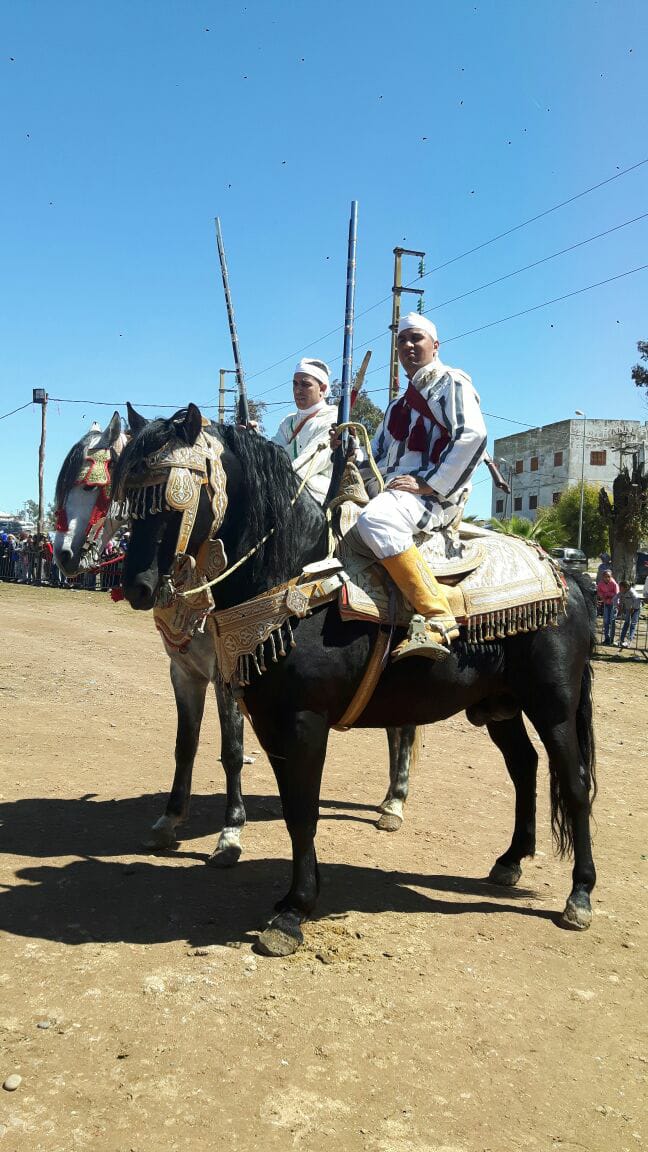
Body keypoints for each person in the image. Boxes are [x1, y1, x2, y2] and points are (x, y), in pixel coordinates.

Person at [354, 312, 487, 661]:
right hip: (393, 491)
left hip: (434, 498)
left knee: (376, 520)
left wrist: (429, 483)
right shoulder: (396, 405)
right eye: (402, 340)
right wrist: (350, 451)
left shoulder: (452, 384)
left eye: (416, 338)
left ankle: (437, 614)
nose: (408, 345)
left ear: (435, 345)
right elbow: (375, 455)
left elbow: (472, 435)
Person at [272, 358, 338, 504]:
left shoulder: (333, 419)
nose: (297, 390)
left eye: (305, 384)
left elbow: (308, 464)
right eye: (295, 384)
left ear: (322, 389)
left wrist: (275, 481)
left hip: (319, 495)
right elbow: (272, 454)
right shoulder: (288, 422)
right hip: (282, 486)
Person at [596, 568, 619, 645]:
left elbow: (616, 594)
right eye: (605, 577)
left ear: (611, 576)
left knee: (612, 621)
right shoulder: (601, 583)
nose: (607, 578)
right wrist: (602, 596)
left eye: (608, 576)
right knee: (606, 622)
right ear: (603, 577)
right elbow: (599, 591)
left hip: (613, 604)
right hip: (606, 604)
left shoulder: (614, 584)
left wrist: (608, 595)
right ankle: (606, 638)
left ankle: (611, 639)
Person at [617, 581, 641, 649]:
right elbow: (618, 598)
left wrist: (632, 608)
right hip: (628, 608)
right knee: (626, 623)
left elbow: (637, 600)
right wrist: (619, 605)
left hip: (636, 609)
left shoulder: (632, 592)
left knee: (632, 624)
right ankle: (621, 640)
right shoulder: (622, 592)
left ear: (626, 587)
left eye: (621, 587)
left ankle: (629, 640)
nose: (620, 589)